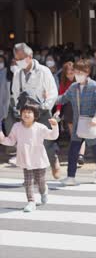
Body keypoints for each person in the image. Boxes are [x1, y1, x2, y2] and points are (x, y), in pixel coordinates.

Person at [11, 43, 61, 179]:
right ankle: (30, 175)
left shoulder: (43, 71)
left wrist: (45, 106)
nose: (18, 61)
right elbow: (15, 92)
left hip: (42, 111)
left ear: (30, 56)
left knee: (47, 141)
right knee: (27, 143)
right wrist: (19, 108)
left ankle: (54, 160)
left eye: (21, 58)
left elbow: (53, 91)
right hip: (26, 113)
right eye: (17, 58)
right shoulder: (18, 73)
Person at [0, 103, 59, 212]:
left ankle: (43, 190)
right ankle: (31, 202)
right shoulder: (16, 126)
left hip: (38, 158)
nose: (26, 114)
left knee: (40, 181)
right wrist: (2, 139)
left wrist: (55, 126)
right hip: (25, 158)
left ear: (35, 115)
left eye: (29, 112)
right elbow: (11, 140)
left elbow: (52, 136)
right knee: (28, 181)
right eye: (24, 112)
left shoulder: (40, 127)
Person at [57, 59, 96, 186]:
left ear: (87, 72)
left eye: (80, 72)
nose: (77, 74)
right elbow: (62, 98)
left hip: (92, 123)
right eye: (76, 71)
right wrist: (49, 99)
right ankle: (70, 176)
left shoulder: (95, 86)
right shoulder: (73, 87)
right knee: (73, 150)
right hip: (78, 124)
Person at [0, 55, 9, 128]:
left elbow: (6, 95)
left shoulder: (7, 73)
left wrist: (5, 110)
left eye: (1, 61)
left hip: (2, 106)